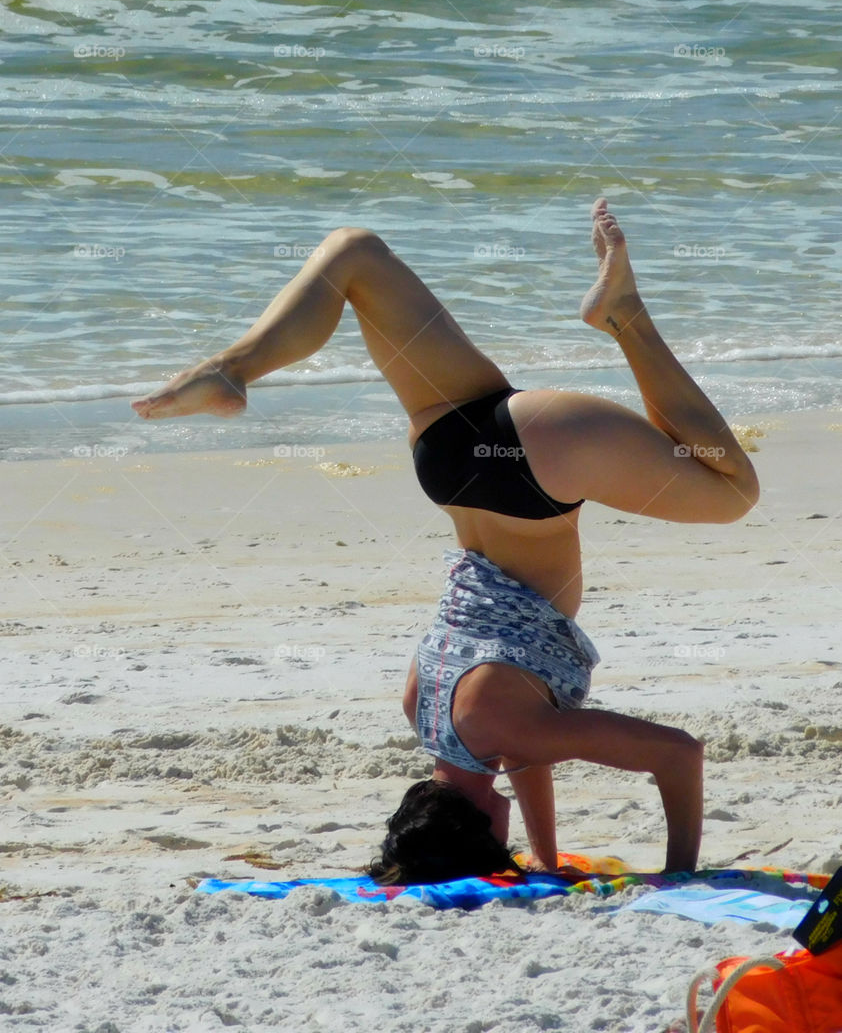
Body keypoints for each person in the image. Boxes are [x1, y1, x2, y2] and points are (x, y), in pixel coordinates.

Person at [132, 199, 759, 883]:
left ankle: (624, 317)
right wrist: (545, 860)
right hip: (452, 451)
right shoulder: (428, 710)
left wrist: (681, 874)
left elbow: (678, 754)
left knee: (731, 491)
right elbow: (520, 753)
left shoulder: (510, 732)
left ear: (485, 833)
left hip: (536, 469)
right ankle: (234, 367)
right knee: (354, 254)